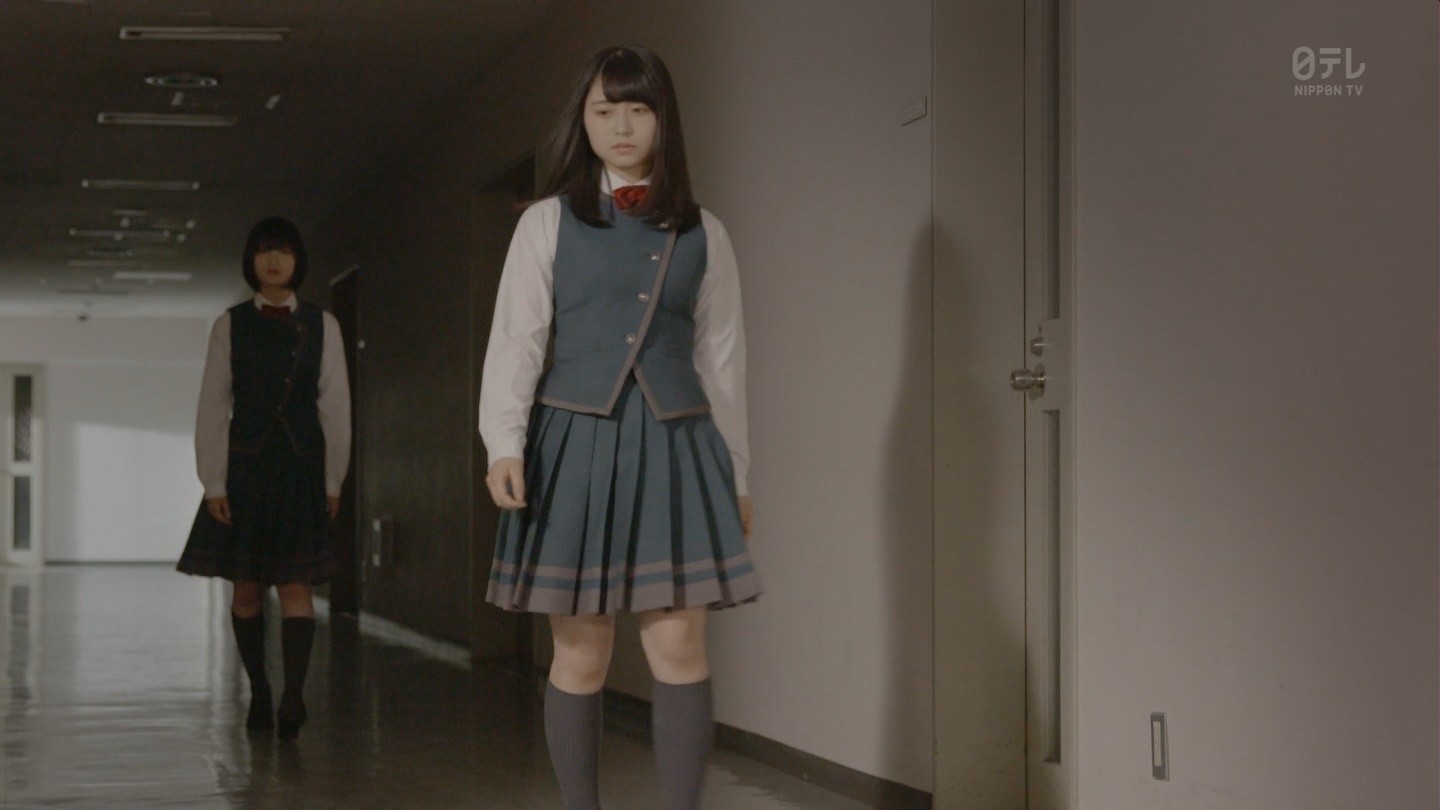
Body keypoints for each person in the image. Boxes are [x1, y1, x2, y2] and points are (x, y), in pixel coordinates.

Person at [479, 44, 763, 810]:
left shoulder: (706, 231)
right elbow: (517, 340)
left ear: (664, 120)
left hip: (677, 447)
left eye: (639, 109)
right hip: (573, 445)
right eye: (605, 110)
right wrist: (504, 443)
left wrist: (737, 476)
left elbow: (723, 362)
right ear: (585, 121)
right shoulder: (546, 222)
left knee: (679, 644)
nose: (622, 126)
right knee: (581, 648)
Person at [177, 216, 351, 742]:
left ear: (298, 261)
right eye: (264, 251)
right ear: (250, 261)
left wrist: (333, 479)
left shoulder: (323, 324)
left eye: (284, 251)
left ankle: (293, 696)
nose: (274, 261)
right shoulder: (229, 324)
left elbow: (336, 405)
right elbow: (212, 404)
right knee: (247, 588)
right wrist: (213, 482)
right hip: (246, 469)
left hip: (300, 469)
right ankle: (258, 689)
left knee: (296, 586)